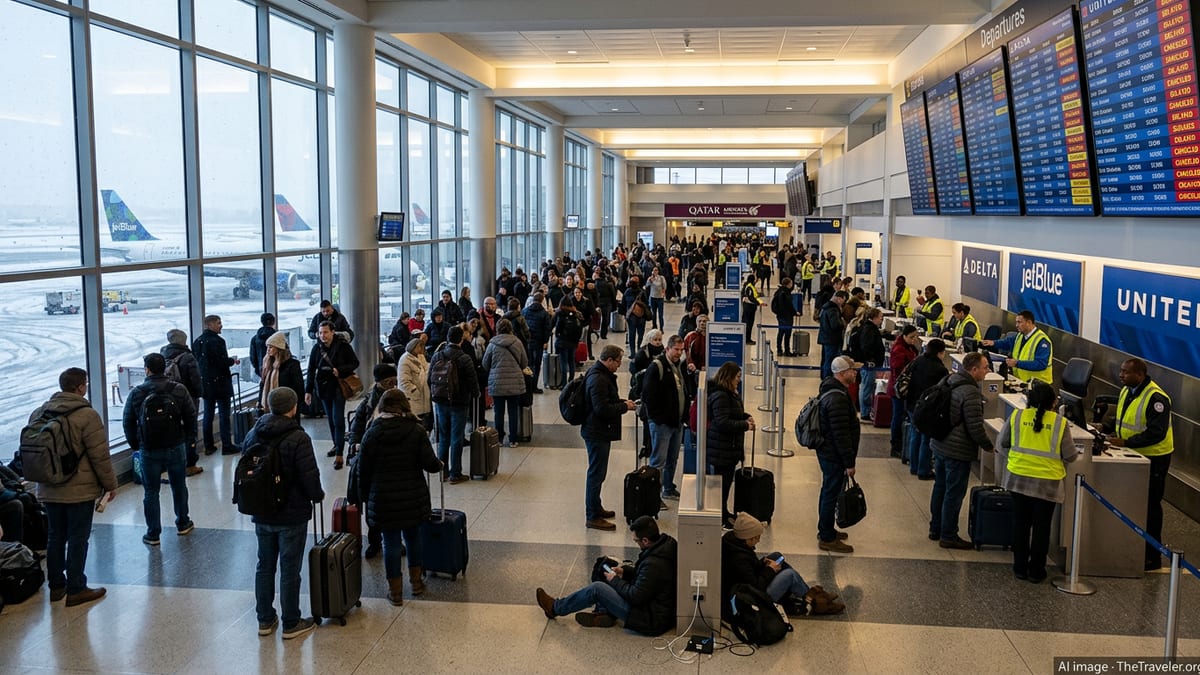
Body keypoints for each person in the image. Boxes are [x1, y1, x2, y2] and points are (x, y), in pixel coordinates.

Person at [243, 387, 324, 640]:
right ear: (293, 407)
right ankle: (291, 621)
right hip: (292, 513)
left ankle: (265, 619)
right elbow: (308, 476)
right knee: (290, 569)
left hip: (262, 510)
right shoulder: (299, 438)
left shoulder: (253, 433)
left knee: (264, 566)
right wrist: (317, 496)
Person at [31, 368, 117, 607]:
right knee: (78, 538)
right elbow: (99, 456)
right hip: (79, 489)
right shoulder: (87, 415)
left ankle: (56, 586)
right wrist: (110, 486)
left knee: (55, 536)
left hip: (48, 486)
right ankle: (76, 587)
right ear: (80, 387)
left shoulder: (40, 412)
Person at [357, 389, 443, 606]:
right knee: (414, 539)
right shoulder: (415, 430)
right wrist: (440, 464)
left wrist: (365, 498)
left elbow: (362, 471)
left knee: (390, 543)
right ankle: (416, 583)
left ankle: (395, 591)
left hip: (383, 499)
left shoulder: (371, 433)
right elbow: (430, 464)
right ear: (404, 406)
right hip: (412, 497)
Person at [535, 515, 677, 634]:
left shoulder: (654, 563)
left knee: (597, 588)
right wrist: (625, 571)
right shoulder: (663, 547)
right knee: (606, 565)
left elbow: (635, 596)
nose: (636, 544)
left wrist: (615, 580)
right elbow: (649, 580)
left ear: (645, 540)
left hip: (649, 619)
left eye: (636, 541)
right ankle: (605, 612)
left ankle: (555, 608)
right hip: (651, 609)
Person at [999, 381, 1078, 582]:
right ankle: (1036, 571)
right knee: (1042, 527)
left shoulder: (1017, 416)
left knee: (1021, 524)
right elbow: (1070, 456)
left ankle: (1019, 567)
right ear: (1053, 402)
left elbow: (1002, 444)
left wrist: (1017, 458)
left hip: (1018, 478)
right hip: (1047, 483)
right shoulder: (1060, 423)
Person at [1104, 357, 1175, 571]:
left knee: (1151, 506)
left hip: (1154, 458)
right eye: (1121, 370)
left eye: (1126, 372)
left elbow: (1157, 433)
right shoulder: (1127, 390)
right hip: (1132, 454)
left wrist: (1127, 442)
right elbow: (1125, 420)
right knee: (1133, 502)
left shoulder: (1156, 398)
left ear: (1140, 375)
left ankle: (1153, 556)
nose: (1121, 375)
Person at [122, 353, 197, 546]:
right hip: (175, 445)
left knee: (151, 491)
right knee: (179, 486)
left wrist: (136, 445)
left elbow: (128, 421)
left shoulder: (137, 392)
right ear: (164, 368)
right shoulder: (178, 389)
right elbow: (190, 415)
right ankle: (183, 522)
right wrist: (188, 439)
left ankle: (153, 533)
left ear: (146, 369)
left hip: (149, 448)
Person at [929, 352, 995, 549]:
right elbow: (975, 426)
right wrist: (988, 446)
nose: (987, 371)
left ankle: (936, 528)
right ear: (973, 369)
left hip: (940, 443)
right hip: (957, 450)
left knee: (940, 487)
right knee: (954, 493)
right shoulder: (971, 392)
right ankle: (948, 535)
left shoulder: (948, 379)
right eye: (985, 367)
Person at [721, 512, 843, 617]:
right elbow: (755, 586)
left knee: (777, 556)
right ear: (748, 538)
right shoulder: (738, 559)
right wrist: (769, 569)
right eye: (756, 537)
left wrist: (762, 562)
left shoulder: (736, 545)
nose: (758, 540)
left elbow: (748, 571)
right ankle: (816, 601)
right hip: (755, 597)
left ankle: (809, 595)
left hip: (751, 586)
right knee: (789, 575)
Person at [580, 345, 637, 530]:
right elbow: (601, 409)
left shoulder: (601, 375)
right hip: (596, 432)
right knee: (596, 474)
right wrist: (624, 407)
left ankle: (596, 506)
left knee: (599, 473)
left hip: (599, 431)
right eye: (618, 361)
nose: (620, 365)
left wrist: (622, 402)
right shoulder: (598, 379)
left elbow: (605, 401)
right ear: (609, 360)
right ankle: (592, 516)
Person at [345, 362, 398, 560]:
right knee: (373, 504)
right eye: (388, 381)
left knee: (388, 503)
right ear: (379, 383)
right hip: (373, 457)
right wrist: (355, 444)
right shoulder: (369, 402)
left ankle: (389, 539)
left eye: (394, 381)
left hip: (389, 457)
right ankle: (375, 541)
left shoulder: (396, 397)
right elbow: (357, 424)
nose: (393, 384)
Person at [642, 334, 694, 503]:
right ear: (668, 348)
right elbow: (648, 396)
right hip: (662, 424)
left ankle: (668, 488)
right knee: (658, 461)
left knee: (672, 458)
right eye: (676, 349)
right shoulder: (657, 367)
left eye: (682, 350)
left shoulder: (680, 366)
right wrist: (658, 418)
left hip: (677, 422)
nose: (679, 353)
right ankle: (652, 497)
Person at [815, 356, 860, 554]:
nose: (855, 373)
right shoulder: (837, 398)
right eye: (852, 370)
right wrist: (849, 463)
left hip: (830, 452)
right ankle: (826, 536)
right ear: (842, 373)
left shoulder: (835, 390)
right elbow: (841, 434)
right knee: (830, 493)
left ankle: (827, 529)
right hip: (834, 455)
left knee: (829, 491)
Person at [304, 320, 360, 470]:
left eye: (326, 332)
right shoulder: (316, 348)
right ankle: (337, 444)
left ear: (333, 332)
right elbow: (310, 370)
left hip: (338, 387)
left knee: (338, 419)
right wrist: (308, 391)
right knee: (330, 419)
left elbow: (355, 363)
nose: (323, 336)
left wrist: (340, 370)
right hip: (323, 388)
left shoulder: (342, 346)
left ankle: (340, 454)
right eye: (320, 333)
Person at [427, 325, 480, 484]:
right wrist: (476, 394)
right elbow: (472, 380)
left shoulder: (437, 356)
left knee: (443, 436)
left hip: (441, 401)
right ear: (461, 339)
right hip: (459, 402)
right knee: (457, 437)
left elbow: (430, 379)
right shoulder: (464, 358)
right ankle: (455, 473)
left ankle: (442, 471)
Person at [706, 362, 754, 526]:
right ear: (730, 377)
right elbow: (722, 422)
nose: (739, 380)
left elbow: (732, 413)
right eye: (738, 377)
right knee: (722, 484)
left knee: (725, 484)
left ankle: (724, 512)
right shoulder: (721, 395)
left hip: (728, 447)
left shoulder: (729, 393)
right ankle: (720, 514)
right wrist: (745, 425)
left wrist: (745, 416)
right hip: (722, 448)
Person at [192, 315, 239, 455]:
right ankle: (227, 445)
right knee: (224, 415)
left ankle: (208, 445)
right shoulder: (218, 341)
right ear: (210, 324)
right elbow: (221, 362)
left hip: (205, 383)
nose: (221, 325)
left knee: (208, 414)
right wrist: (231, 361)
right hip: (221, 383)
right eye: (218, 323)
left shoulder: (197, 341)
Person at [161, 329, 203, 475]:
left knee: (172, 430)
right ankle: (190, 464)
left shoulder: (162, 354)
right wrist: (199, 393)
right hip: (187, 398)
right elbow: (195, 379)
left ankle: (172, 462)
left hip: (167, 399)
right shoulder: (187, 357)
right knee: (190, 430)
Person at [905, 338, 949, 479]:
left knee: (914, 435)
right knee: (926, 438)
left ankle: (914, 466)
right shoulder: (941, 369)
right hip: (928, 408)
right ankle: (923, 470)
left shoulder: (918, 360)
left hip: (912, 404)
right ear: (940, 353)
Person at [482, 319, 529, 448]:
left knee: (498, 412)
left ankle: (499, 438)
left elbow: (485, 364)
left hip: (497, 383)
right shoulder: (517, 343)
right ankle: (513, 439)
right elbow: (524, 363)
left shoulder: (492, 344)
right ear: (510, 329)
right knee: (513, 411)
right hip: (514, 382)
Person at [983, 310, 1053, 384]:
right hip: (1021, 381)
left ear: (1029, 322)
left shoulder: (1042, 341)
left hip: (1039, 386)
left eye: (1019, 322)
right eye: (1016, 322)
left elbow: (1041, 364)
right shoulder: (1020, 335)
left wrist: (1017, 363)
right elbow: (1007, 343)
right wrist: (993, 343)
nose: (1016, 325)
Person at [888, 325, 921, 459]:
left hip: (905, 389)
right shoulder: (899, 349)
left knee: (901, 416)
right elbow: (898, 372)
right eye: (911, 337)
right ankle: (895, 445)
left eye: (915, 337)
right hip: (899, 390)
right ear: (904, 336)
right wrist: (901, 389)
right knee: (898, 416)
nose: (914, 339)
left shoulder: (909, 347)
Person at [259, 331, 305, 413]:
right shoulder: (268, 364)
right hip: (271, 408)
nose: (268, 350)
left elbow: (299, 387)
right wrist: (260, 402)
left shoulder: (292, 364)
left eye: (271, 347)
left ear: (278, 348)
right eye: (267, 347)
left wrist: (297, 406)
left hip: (288, 406)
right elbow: (262, 384)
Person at [857, 308, 886, 421]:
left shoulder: (870, 328)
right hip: (869, 364)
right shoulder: (869, 329)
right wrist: (871, 359)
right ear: (874, 317)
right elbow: (866, 346)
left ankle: (865, 410)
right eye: (880, 317)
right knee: (866, 387)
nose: (881, 319)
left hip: (870, 363)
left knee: (865, 386)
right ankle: (865, 411)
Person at [396, 339, 432, 431]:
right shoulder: (404, 360)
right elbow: (404, 381)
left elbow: (426, 368)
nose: (421, 349)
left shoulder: (421, 357)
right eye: (419, 346)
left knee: (424, 422)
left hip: (424, 394)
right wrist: (415, 390)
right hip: (413, 397)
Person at [550, 296, 584, 388]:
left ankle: (564, 383)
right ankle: (571, 380)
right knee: (571, 360)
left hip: (562, 341)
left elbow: (552, 324)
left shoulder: (559, 313)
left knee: (563, 362)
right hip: (573, 341)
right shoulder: (576, 313)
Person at [522, 291, 552, 394]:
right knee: (537, 364)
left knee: (528, 363)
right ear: (542, 300)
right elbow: (547, 328)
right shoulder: (544, 313)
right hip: (539, 342)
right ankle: (534, 386)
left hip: (527, 341)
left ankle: (527, 385)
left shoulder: (525, 311)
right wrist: (545, 341)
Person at [817, 290, 848, 379]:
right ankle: (828, 378)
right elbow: (835, 325)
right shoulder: (833, 310)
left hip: (826, 338)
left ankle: (824, 377)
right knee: (830, 360)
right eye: (843, 300)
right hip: (832, 339)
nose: (843, 303)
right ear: (839, 299)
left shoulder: (826, 307)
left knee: (826, 359)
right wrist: (843, 323)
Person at [771, 276, 798, 356]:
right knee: (787, 333)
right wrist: (795, 313)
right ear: (788, 284)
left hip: (780, 315)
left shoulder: (779, 291)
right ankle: (787, 350)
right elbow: (789, 305)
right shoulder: (786, 293)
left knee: (781, 332)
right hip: (787, 316)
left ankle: (779, 349)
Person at [249, 312, 277, 379]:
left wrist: (260, 370)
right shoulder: (277, 338)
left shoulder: (255, 339)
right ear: (273, 322)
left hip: (263, 372)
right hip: (277, 371)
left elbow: (253, 358)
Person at [741, 273, 762, 344]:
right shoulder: (749, 287)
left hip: (749, 307)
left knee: (748, 323)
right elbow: (751, 297)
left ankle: (747, 338)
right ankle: (747, 339)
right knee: (748, 323)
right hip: (749, 307)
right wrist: (758, 303)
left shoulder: (749, 286)